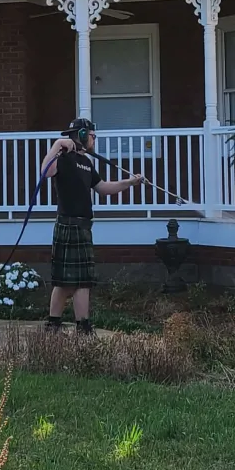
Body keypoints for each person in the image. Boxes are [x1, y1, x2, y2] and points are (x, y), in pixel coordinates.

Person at [40, 118, 143, 334]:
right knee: (68, 282)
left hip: (84, 226)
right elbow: (45, 172)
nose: (94, 141)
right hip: (67, 225)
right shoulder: (62, 157)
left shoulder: (87, 163)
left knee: (80, 281)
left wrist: (129, 182)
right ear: (83, 135)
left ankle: (76, 326)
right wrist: (58, 145)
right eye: (92, 136)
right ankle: (61, 326)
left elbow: (102, 188)